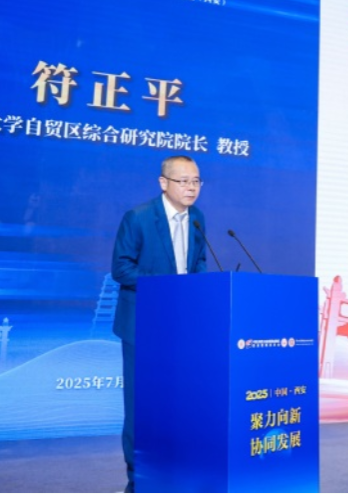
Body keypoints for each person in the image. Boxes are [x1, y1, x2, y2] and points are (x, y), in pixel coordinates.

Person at [111, 155, 208, 493]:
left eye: (196, 181)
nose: (191, 187)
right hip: (141, 324)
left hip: (180, 327)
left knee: (176, 403)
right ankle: (138, 481)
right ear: (163, 183)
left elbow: (198, 264)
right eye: (183, 181)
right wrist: (166, 287)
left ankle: (173, 473)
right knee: (140, 406)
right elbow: (121, 269)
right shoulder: (138, 218)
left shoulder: (197, 219)